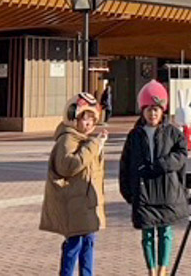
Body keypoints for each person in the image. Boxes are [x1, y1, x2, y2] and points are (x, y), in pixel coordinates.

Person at [119, 80, 188, 276]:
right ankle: (151, 270)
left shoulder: (173, 133)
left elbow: (181, 155)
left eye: (156, 109)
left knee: (165, 232)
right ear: (142, 110)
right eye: (149, 109)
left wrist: (162, 164)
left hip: (166, 190)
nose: (153, 113)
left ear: (163, 110)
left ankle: (163, 269)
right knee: (147, 233)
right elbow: (125, 164)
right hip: (144, 192)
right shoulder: (134, 136)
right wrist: (127, 190)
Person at [40, 92, 108, 276]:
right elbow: (68, 166)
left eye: (92, 120)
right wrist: (94, 146)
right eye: (84, 119)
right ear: (73, 117)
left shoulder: (86, 140)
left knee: (89, 242)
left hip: (86, 203)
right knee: (74, 244)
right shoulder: (67, 139)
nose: (88, 124)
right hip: (74, 203)